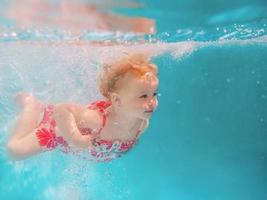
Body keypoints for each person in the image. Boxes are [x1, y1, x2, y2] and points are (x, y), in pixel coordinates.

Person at [7, 54, 159, 162]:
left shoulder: (141, 120)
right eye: (143, 96)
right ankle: (31, 107)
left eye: (154, 94)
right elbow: (62, 110)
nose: (152, 101)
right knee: (15, 151)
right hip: (58, 128)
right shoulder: (99, 121)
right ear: (117, 101)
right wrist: (76, 139)